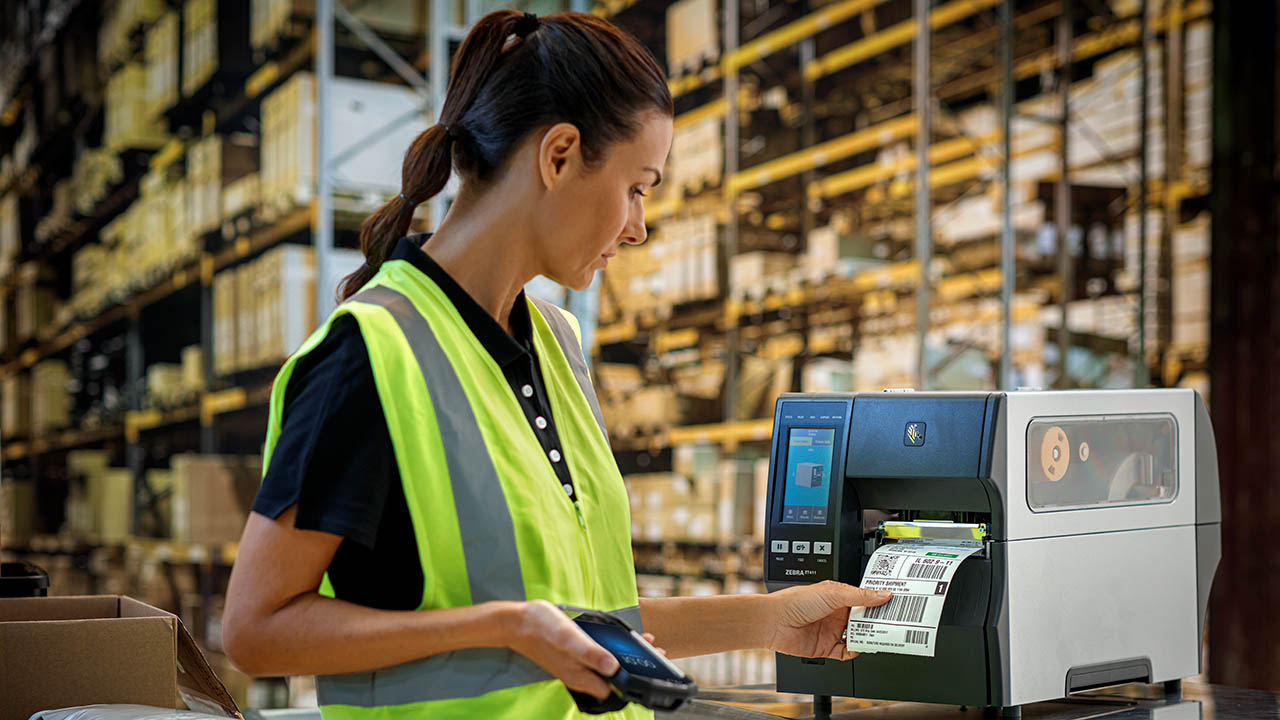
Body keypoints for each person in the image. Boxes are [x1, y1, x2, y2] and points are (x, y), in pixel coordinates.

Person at [222, 9, 889, 719]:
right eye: (637, 187)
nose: (638, 226)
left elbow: (589, 623)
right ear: (560, 154)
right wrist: (505, 628)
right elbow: (257, 631)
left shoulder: (557, 343)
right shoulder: (370, 356)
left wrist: (772, 620)